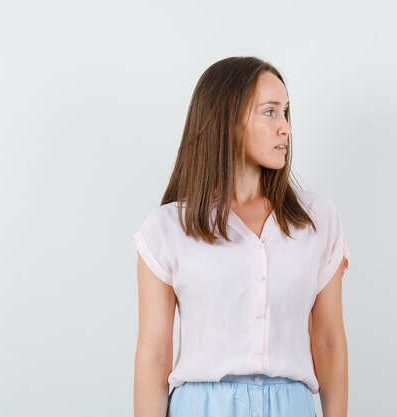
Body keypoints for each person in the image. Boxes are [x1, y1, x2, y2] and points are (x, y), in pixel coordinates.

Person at [132, 56, 350, 417]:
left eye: (286, 113)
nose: (285, 128)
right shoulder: (167, 228)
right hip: (200, 406)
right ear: (228, 121)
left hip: (291, 406)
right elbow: (154, 357)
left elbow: (328, 342)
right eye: (270, 112)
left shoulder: (317, 221)